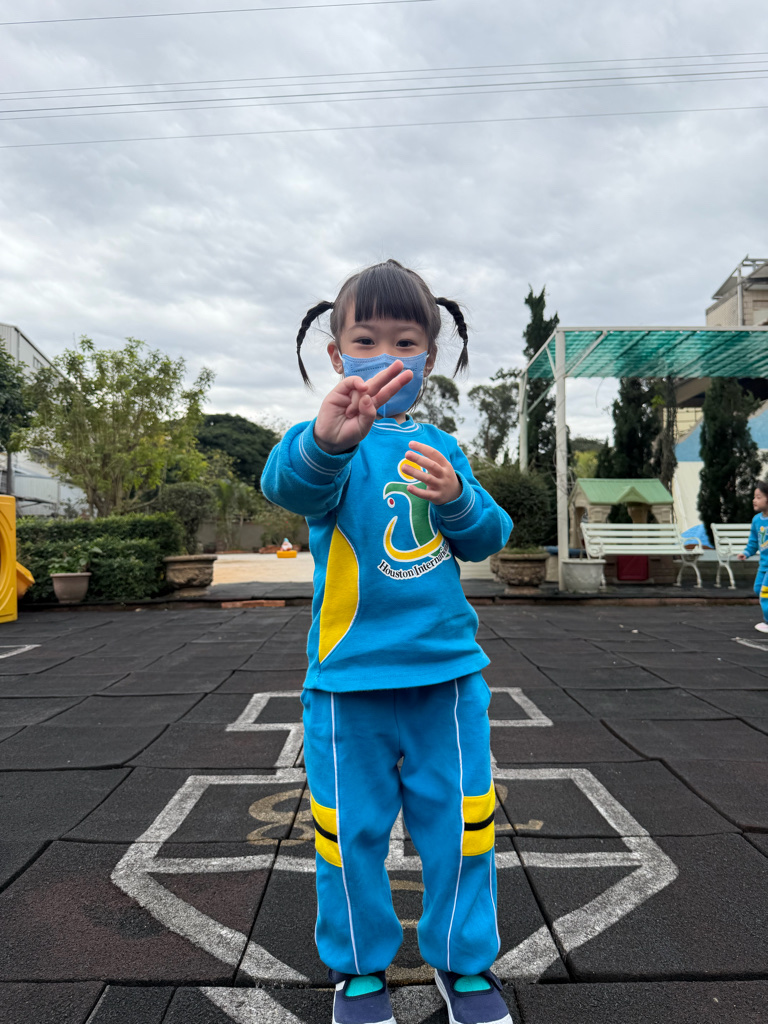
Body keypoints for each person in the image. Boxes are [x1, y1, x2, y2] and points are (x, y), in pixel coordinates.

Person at [261, 260, 514, 1024]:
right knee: (348, 834)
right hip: (349, 682)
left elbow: (489, 536)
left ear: (429, 360)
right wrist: (327, 440)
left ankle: (463, 963)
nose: (385, 357)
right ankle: (359, 969)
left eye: (406, 342)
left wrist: (458, 497)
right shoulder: (330, 440)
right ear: (337, 354)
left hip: (447, 677)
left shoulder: (443, 446)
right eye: (365, 340)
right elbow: (288, 486)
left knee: (464, 826)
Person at [737, 480, 768, 632]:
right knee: (758, 589)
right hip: (764, 564)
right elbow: (754, 542)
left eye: (758, 497)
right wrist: (746, 553)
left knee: (765, 593)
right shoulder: (757, 520)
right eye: (754, 497)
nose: (754, 500)